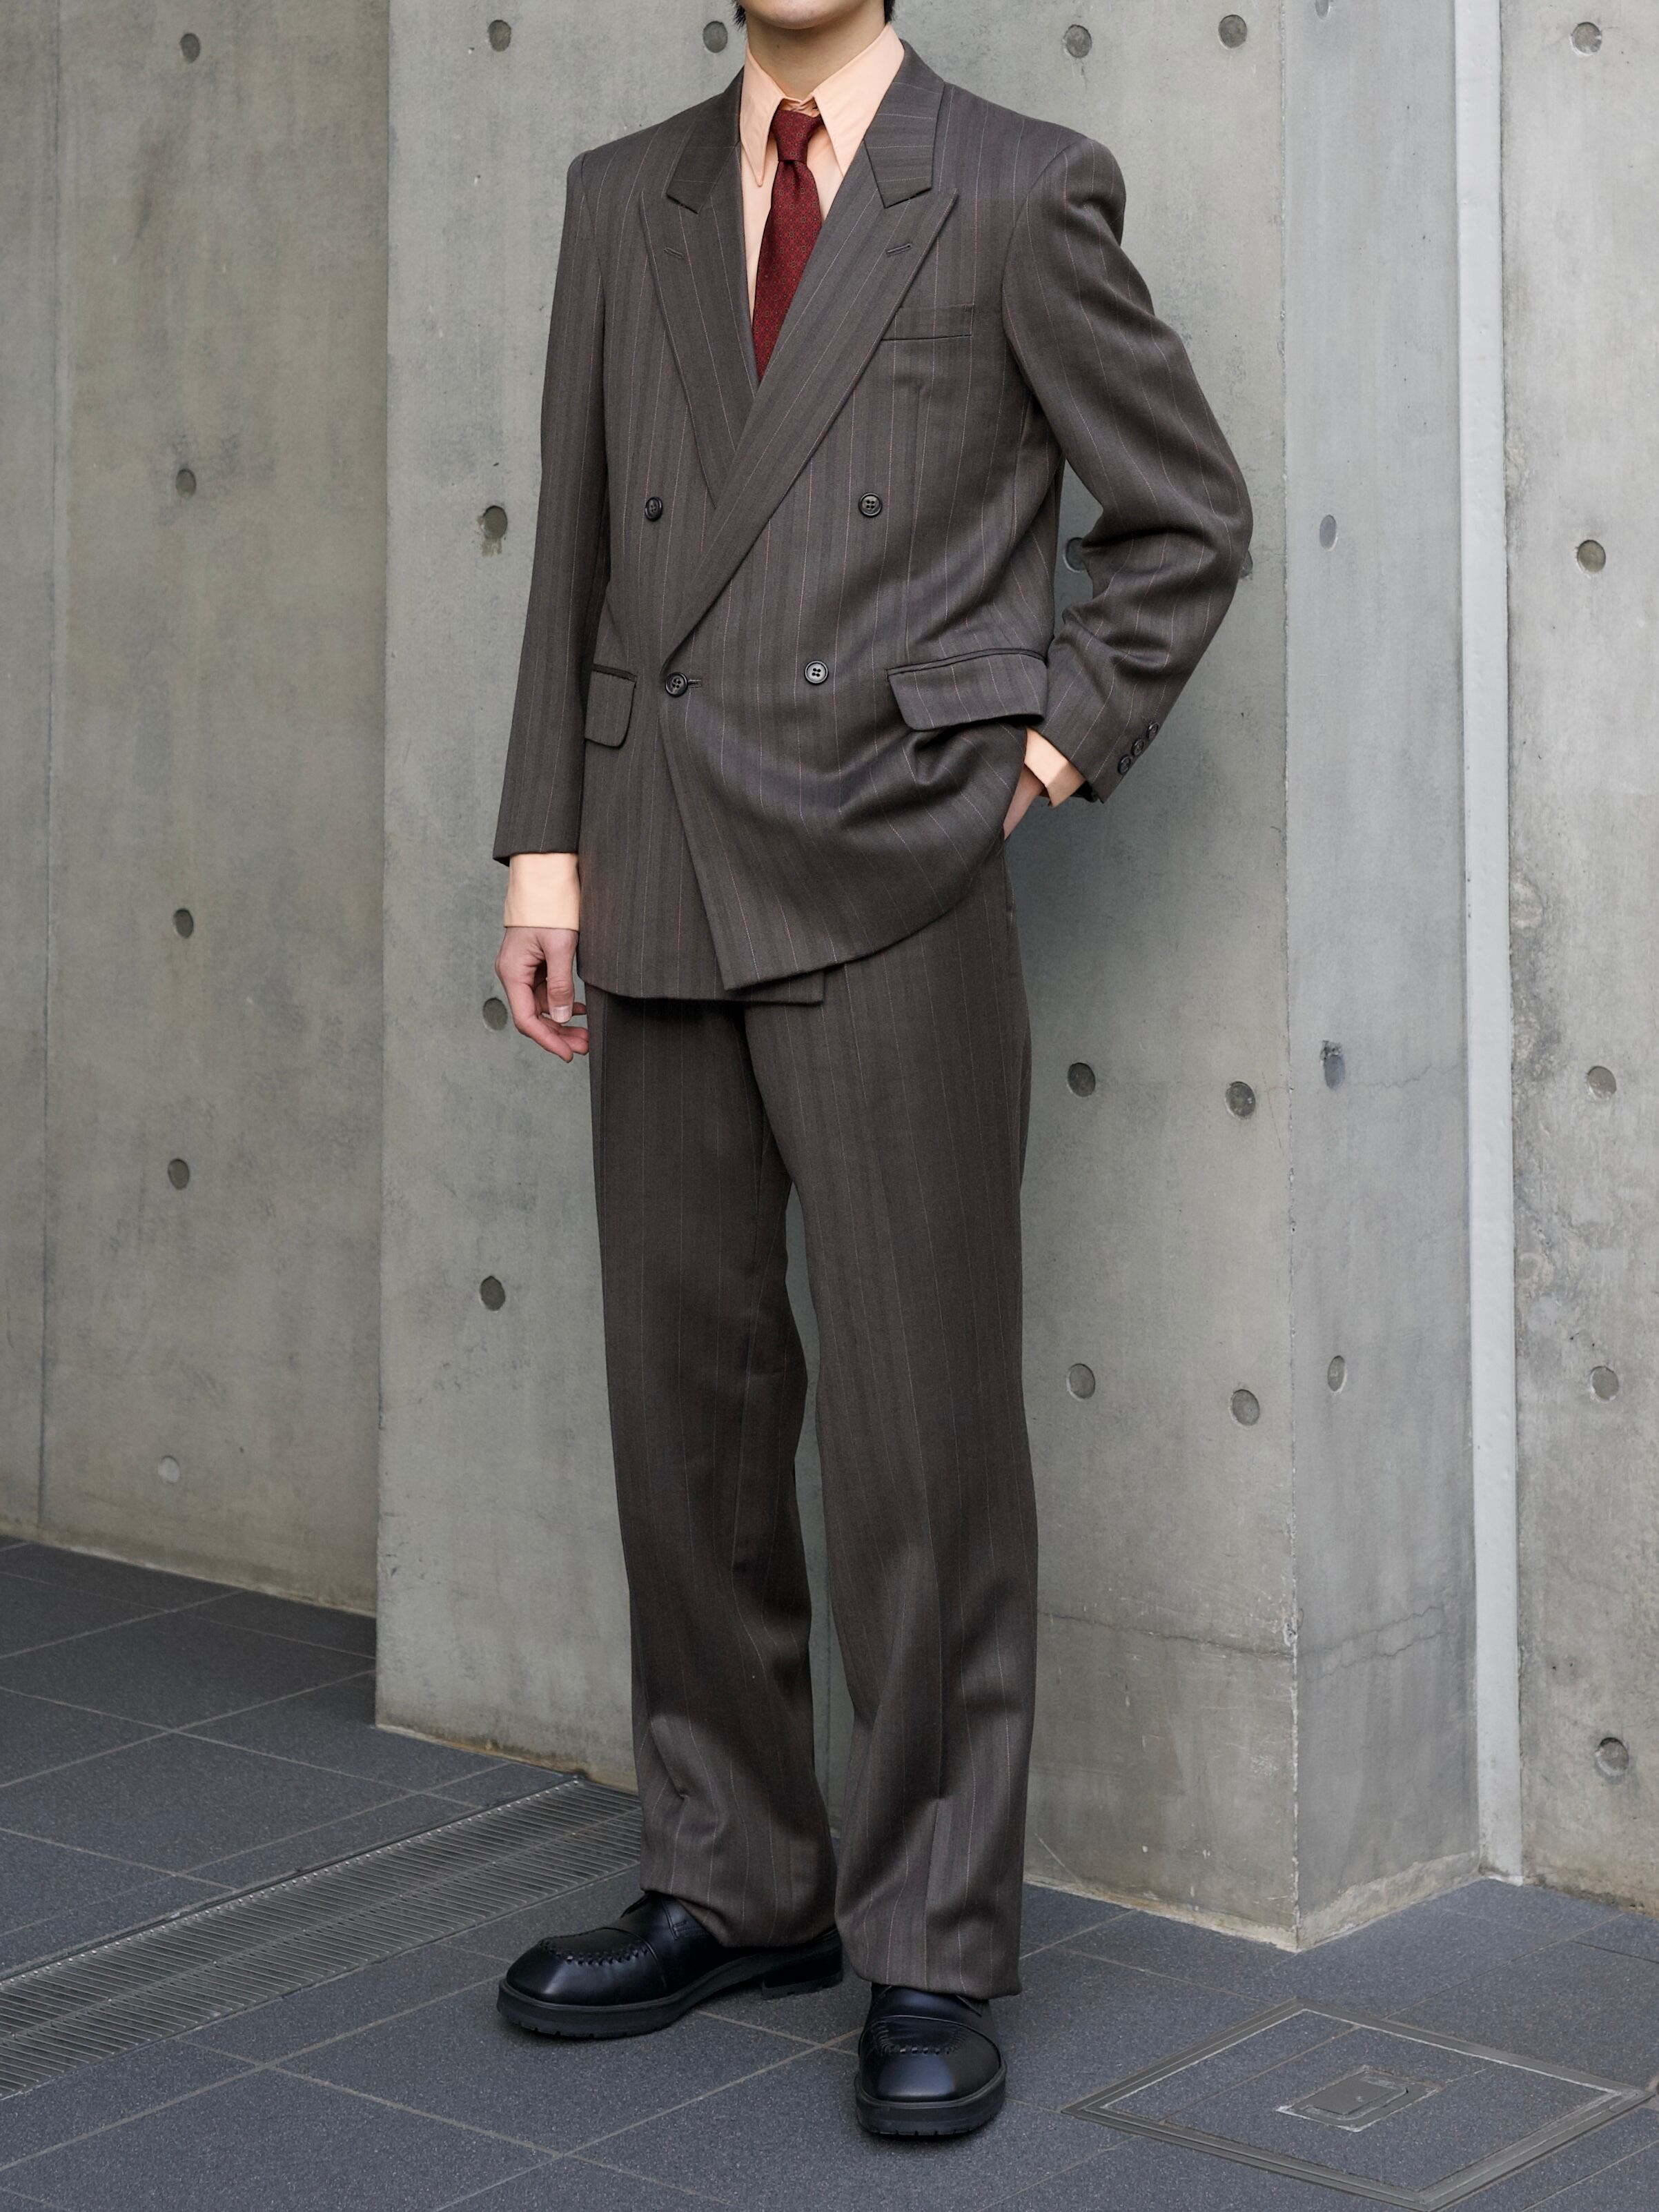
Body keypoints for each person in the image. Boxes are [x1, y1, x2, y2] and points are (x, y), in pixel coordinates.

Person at [489, 0, 1249, 2140]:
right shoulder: (621, 195)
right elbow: (577, 546)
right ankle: (734, 1879)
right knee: (689, 1417)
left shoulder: (1014, 186)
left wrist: (1035, 754)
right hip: (651, 861)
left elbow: (1181, 517)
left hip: (892, 875)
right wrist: (543, 846)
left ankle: (931, 1939)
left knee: (922, 1451)